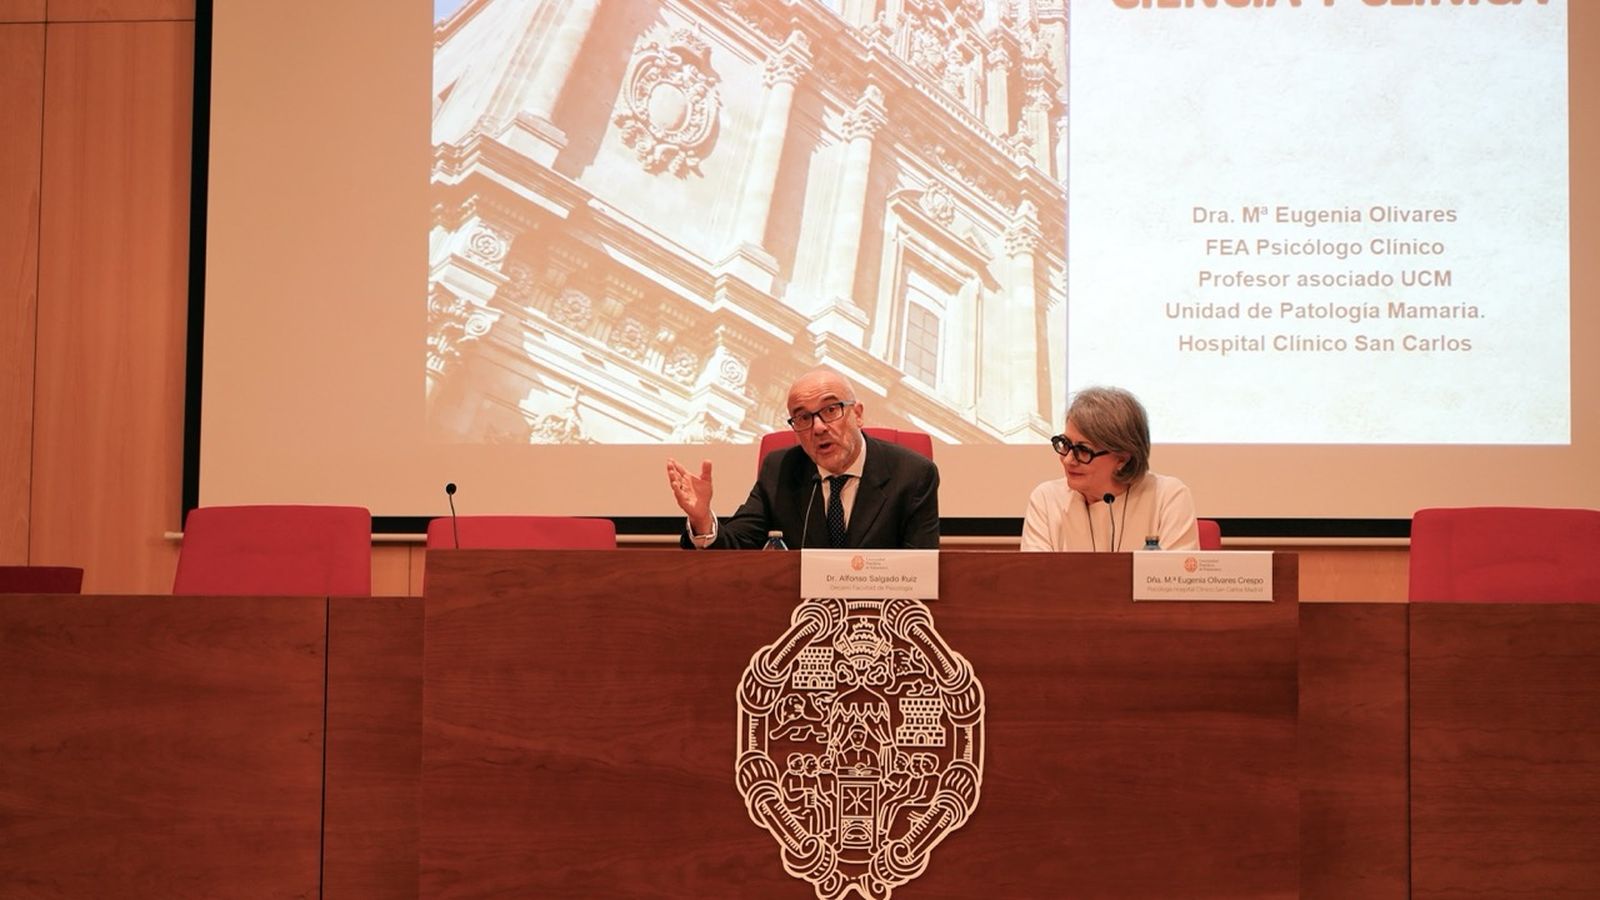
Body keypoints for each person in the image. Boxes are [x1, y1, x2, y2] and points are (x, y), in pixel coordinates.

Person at [666, 367, 940, 549]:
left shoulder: (913, 475)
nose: (818, 427)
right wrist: (702, 520)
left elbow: (922, 569)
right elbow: (738, 543)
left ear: (857, 414)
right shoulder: (781, 470)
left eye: (831, 409)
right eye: (803, 417)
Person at [1020, 386, 1199, 552]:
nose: (1068, 460)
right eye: (1065, 444)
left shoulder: (1168, 497)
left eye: (1083, 450)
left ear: (1122, 458)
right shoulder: (1046, 499)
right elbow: (1034, 581)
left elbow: (1175, 582)